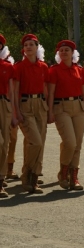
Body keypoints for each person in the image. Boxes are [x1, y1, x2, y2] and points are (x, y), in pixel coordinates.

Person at [48, 40, 84, 190]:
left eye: (67, 50)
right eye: (61, 50)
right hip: (61, 107)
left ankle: (74, 176)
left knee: (77, 144)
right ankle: (63, 172)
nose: (64, 52)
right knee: (70, 142)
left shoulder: (79, 70)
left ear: (73, 53)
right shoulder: (54, 70)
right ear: (58, 53)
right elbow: (51, 92)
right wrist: (50, 111)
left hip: (79, 106)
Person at [14, 34, 49, 194]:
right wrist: (16, 112)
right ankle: (27, 173)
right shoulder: (19, 67)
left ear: (37, 47)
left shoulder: (43, 67)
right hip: (25, 105)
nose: (28, 47)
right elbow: (14, 92)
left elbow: (46, 89)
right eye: (26, 45)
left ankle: (33, 178)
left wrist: (49, 109)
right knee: (35, 142)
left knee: (39, 142)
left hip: (40, 105)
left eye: (31, 45)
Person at [0, 34, 18, 198]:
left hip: (4, 103)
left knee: (4, 142)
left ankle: (1, 179)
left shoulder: (7, 66)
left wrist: (13, 114)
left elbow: (12, 92)